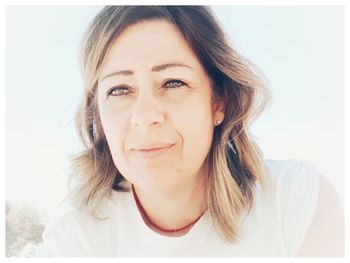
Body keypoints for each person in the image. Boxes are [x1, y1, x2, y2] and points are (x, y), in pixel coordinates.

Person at [39, 6, 344, 257]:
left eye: (173, 83)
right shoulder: (75, 238)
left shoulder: (297, 204)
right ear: (99, 114)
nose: (145, 117)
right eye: (119, 89)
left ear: (218, 101)